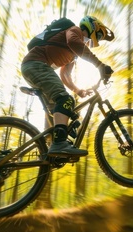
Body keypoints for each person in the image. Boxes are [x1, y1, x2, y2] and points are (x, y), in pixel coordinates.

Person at [21, 16, 114, 156]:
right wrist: (100, 65)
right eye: (99, 34)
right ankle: (59, 144)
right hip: (36, 65)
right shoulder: (74, 30)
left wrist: (78, 90)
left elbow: (65, 75)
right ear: (91, 27)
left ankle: (48, 150)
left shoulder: (72, 56)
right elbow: (73, 42)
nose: (98, 39)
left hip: (33, 68)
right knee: (65, 100)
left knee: (56, 111)